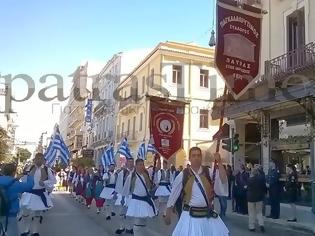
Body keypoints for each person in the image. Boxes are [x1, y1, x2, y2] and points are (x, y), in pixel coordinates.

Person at [164, 147, 229, 236]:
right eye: (193, 155)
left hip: (207, 216)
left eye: (198, 155)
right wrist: (168, 213)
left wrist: (220, 162)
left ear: (201, 157)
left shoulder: (208, 172)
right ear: (190, 158)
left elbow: (223, 180)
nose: (196, 157)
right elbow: (173, 194)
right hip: (189, 216)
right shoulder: (184, 174)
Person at [20, 153, 56, 236]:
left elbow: (53, 181)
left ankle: (35, 231)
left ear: (43, 160)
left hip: (39, 193)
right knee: (25, 212)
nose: (39, 160)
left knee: (37, 213)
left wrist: (44, 183)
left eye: (41, 158)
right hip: (29, 193)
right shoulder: (30, 168)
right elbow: (23, 178)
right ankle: (26, 230)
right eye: (38, 158)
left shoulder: (47, 169)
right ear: (35, 159)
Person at [122, 158, 157, 236]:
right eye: (140, 165)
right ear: (136, 166)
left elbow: (149, 187)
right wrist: (123, 199)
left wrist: (150, 182)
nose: (141, 166)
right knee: (137, 224)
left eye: (143, 164)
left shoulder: (146, 175)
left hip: (145, 201)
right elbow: (126, 188)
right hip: (136, 201)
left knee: (143, 222)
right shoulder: (131, 176)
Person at [0, 163, 34, 236]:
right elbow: (30, 186)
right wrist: (30, 176)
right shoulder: (15, 184)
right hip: (10, 214)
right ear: (13, 172)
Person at [114, 158, 135, 235]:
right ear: (126, 163)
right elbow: (119, 184)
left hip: (132, 195)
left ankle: (130, 228)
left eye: (132, 162)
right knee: (121, 213)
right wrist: (118, 194)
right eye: (129, 162)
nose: (131, 163)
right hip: (123, 195)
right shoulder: (122, 173)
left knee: (130, 213)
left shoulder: (136, 173)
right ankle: (121, 227)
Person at [247, 165, 266, 232]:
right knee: (259, 212)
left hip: (251, 198)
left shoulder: (250, 179)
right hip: (259, 198)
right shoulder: (260, 179)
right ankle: (261, 224)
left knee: (251, 213)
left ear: (252, 173)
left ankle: (252, 226)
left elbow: (247, 186)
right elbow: (263, 187)